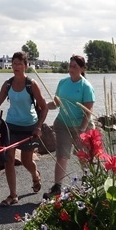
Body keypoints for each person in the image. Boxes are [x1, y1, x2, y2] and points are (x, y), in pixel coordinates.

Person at [0, 51, 48, 206]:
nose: (16, 67)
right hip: (11, 125)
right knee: (8, 159)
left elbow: (44, 108)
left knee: (26, 160)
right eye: (14, 64)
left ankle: (35, 175)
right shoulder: (8, 84)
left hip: (29, 126)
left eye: (19, 64)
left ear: (26, 66)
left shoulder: (31, 84)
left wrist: (38, 127)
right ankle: (13, 195)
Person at [43, 55, 95, 199]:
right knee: (61, 155)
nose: (71, 69)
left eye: (75, 67)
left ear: (82, 69)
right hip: (63, 124)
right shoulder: (63, 83)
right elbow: (56, 103)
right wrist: (43, 106)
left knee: (83, 156)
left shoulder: (86, 87)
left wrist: (81, 132)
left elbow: (88, 112)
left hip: (81, 125)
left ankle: (89, 183)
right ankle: (57, 188)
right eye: (70, 66)